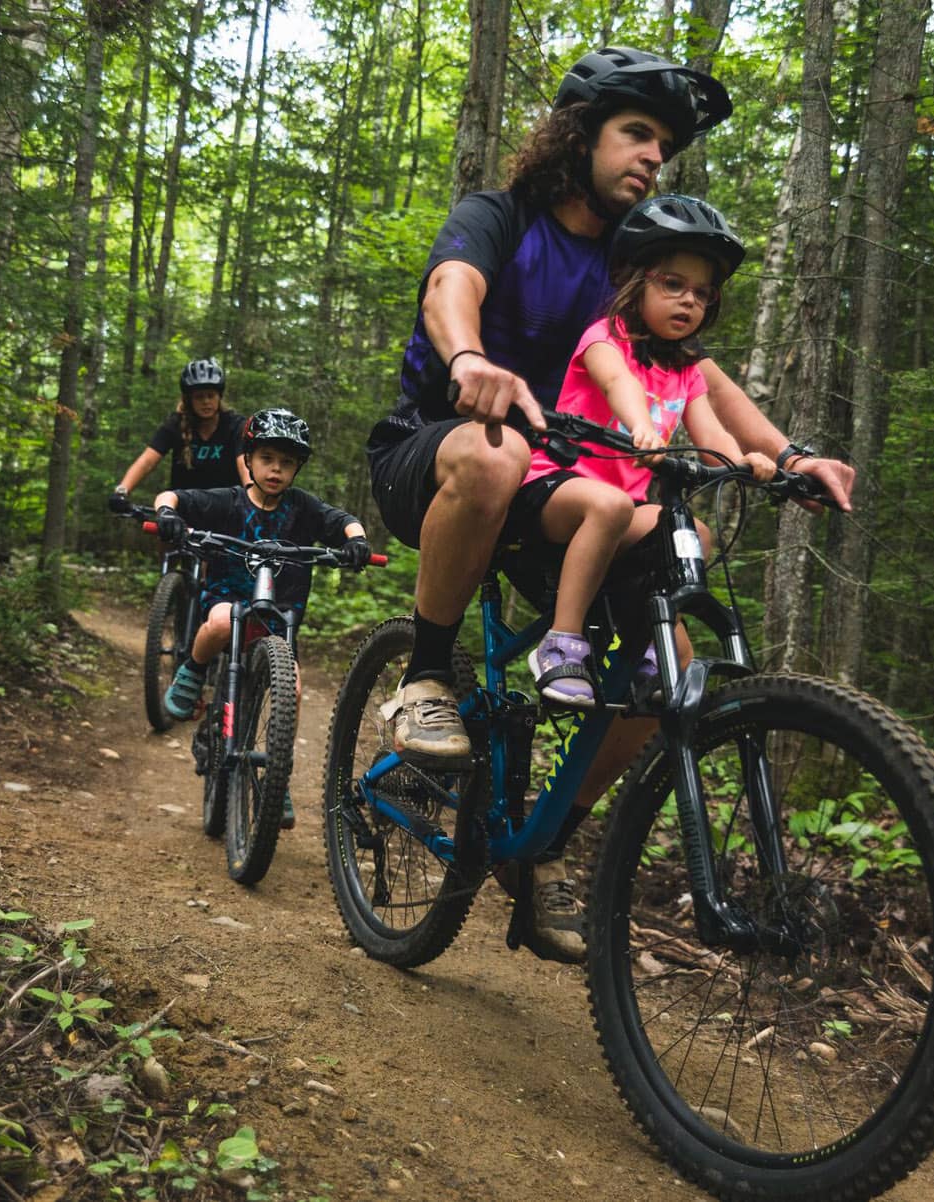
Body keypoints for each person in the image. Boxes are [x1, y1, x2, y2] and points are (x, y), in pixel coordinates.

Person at [367, 47, 858, 960]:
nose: (650, 158)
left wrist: (788, 454)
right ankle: (427, 675)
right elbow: (451, 287)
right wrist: (470, 361)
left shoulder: (631, 265)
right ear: (579, 133)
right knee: (495, 452)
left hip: (565, 489)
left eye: (664, 148)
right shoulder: (501, 216)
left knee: (666, 656)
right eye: (636, 133)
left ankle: (545, 844)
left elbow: (696, 373)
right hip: (437, 457)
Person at [517, 194, 776, 706]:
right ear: (637, 284)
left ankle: (643, 650)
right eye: (673, 285)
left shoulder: (686, 371)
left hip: (619, 510)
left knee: (690, 533)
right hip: (552, 487)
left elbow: (711, 436)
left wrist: (741, 462)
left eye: (702, 294)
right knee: (610, 504)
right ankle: (561, 643)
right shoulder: (603, 337)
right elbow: (618, 386)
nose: (688, 302)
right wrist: (641, 427)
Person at [153, 409, 372, 830]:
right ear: (249, 460)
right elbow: (173, 496)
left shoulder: (302, 509)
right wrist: (167, 516)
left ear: (297, 469)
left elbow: (342, 521)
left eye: (287, 462)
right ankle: (193, 673)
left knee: (294, 684)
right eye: (267, 458)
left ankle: (275, 776)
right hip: (228, 600)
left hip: (279, 617)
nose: (276, 469)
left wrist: (356, 541)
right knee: (219, 624)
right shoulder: (229, 501)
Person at [112, 358, 251, 508]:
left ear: (219, 397)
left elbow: (244, 464)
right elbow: (147, 461)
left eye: (211, 395)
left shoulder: (234, 425)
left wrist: (252, 496)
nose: (206, 402)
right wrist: (122, 491)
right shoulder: (176, 424)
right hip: (185, 511)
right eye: (199, 397)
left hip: (227, 509)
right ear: (189, 400)